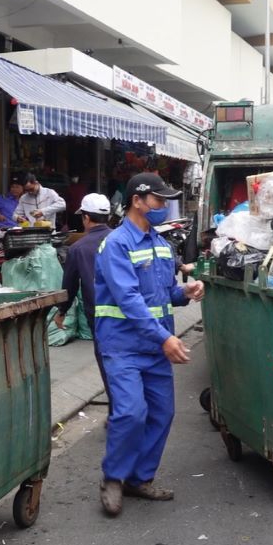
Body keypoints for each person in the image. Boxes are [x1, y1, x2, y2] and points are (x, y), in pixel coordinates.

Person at [94, 173, 205, 517]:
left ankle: (139, 478)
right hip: (124, 346)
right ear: (138, 200)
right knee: (130, 412)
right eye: (158, 200)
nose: (163, 207)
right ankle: (114, 477)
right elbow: (128, 299)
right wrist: (166, 338)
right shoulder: (116, 245)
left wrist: (185, 292)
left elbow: (162, 293)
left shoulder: (160, 243)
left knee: (161, 413)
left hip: (155, 346)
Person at [54, 193, 114, 412]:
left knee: (107, 362)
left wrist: (61, 311)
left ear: (86, 218)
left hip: (99, 317)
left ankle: (117, 410)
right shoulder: (121, 239)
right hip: (129, 312)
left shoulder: (78, 248)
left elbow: (69, 285)